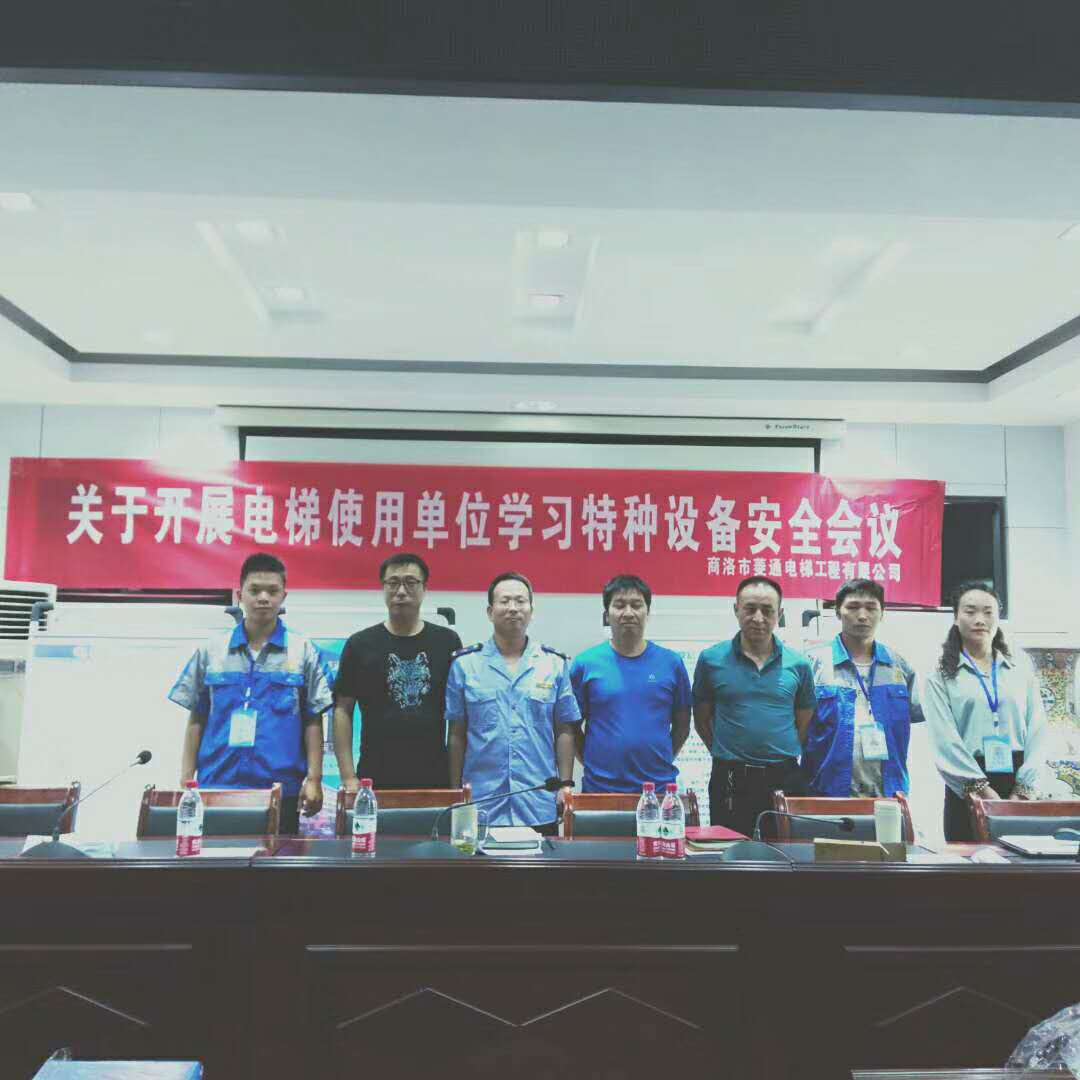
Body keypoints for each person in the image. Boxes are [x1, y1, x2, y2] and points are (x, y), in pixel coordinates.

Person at [169, 553, 332, 835]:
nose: (263, 598)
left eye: (272, 591)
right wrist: (186, 777)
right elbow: (197, 717)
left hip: (281, 789)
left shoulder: (303, 651)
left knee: (280, 861)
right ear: (240, 595)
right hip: (217, 786)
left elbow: (313, 720)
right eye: (255, 590)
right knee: (214, 860)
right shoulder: (211, 651)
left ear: (283, 596)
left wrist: (314, 779)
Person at [445, 572, 579, 833]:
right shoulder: (465, 665)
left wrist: (565, 785)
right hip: (481, 802)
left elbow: (564, 729)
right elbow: (456, 734)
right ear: (490, 611)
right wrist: (455, 791)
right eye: (505, 601)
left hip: (537, 800)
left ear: (531, 611)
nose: (513, 608)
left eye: (520, 601)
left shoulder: (553, 664)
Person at [924, 581, 1051, 841]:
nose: (980, 620)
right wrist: (982, 791)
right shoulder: (940, 674)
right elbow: (944, 739)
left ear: (998, 617)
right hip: (967, 786)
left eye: (988, 612)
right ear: (956, 617)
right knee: (970, 863)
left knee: (1021, 862)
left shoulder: (1020, 668)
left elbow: (1038, 729)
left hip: (1018, 781)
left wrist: (1024, 790)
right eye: (970, 611)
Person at [692, 575, 815, 838]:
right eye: (750, 609)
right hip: (730, 778)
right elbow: (701, 719)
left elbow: (804, 722)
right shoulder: (711, 660)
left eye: (767, 610)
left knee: (787, 853)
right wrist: (727, 753)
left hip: (784, 778)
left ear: (779, 614)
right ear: (736, 610)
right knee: (730, 852)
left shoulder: (799, 665)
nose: (758, 618)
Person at [332, 553, 463, 792]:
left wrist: (456, 784)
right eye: (393, 583)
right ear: (383, 588)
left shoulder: (447, 642)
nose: (401, 591)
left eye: (411, 582)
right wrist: (348, 776)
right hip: (374, 778)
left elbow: (458, 719)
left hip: (434, 778)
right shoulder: (360, 644)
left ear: (424, 588)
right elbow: (342, 709)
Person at [569, 574, 692, 793]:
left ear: (647, 612)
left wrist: (660, 760)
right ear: (607, 614)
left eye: (636, 605)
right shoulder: (585, 664)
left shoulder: (671, 663)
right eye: (619, 605)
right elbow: (571, 727)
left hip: (658, 788)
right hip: (600, 788)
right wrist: (592, 762)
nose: (628, 613)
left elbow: (682, 725)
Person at [803, 578, 923, 798]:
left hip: (888, 793)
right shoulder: (813, 664)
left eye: (871, 608)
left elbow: (915, 718)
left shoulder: (899, 665)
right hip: (826, 792)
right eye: (852, 607)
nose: (862, 615)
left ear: (882, 613)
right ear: (837, 612)